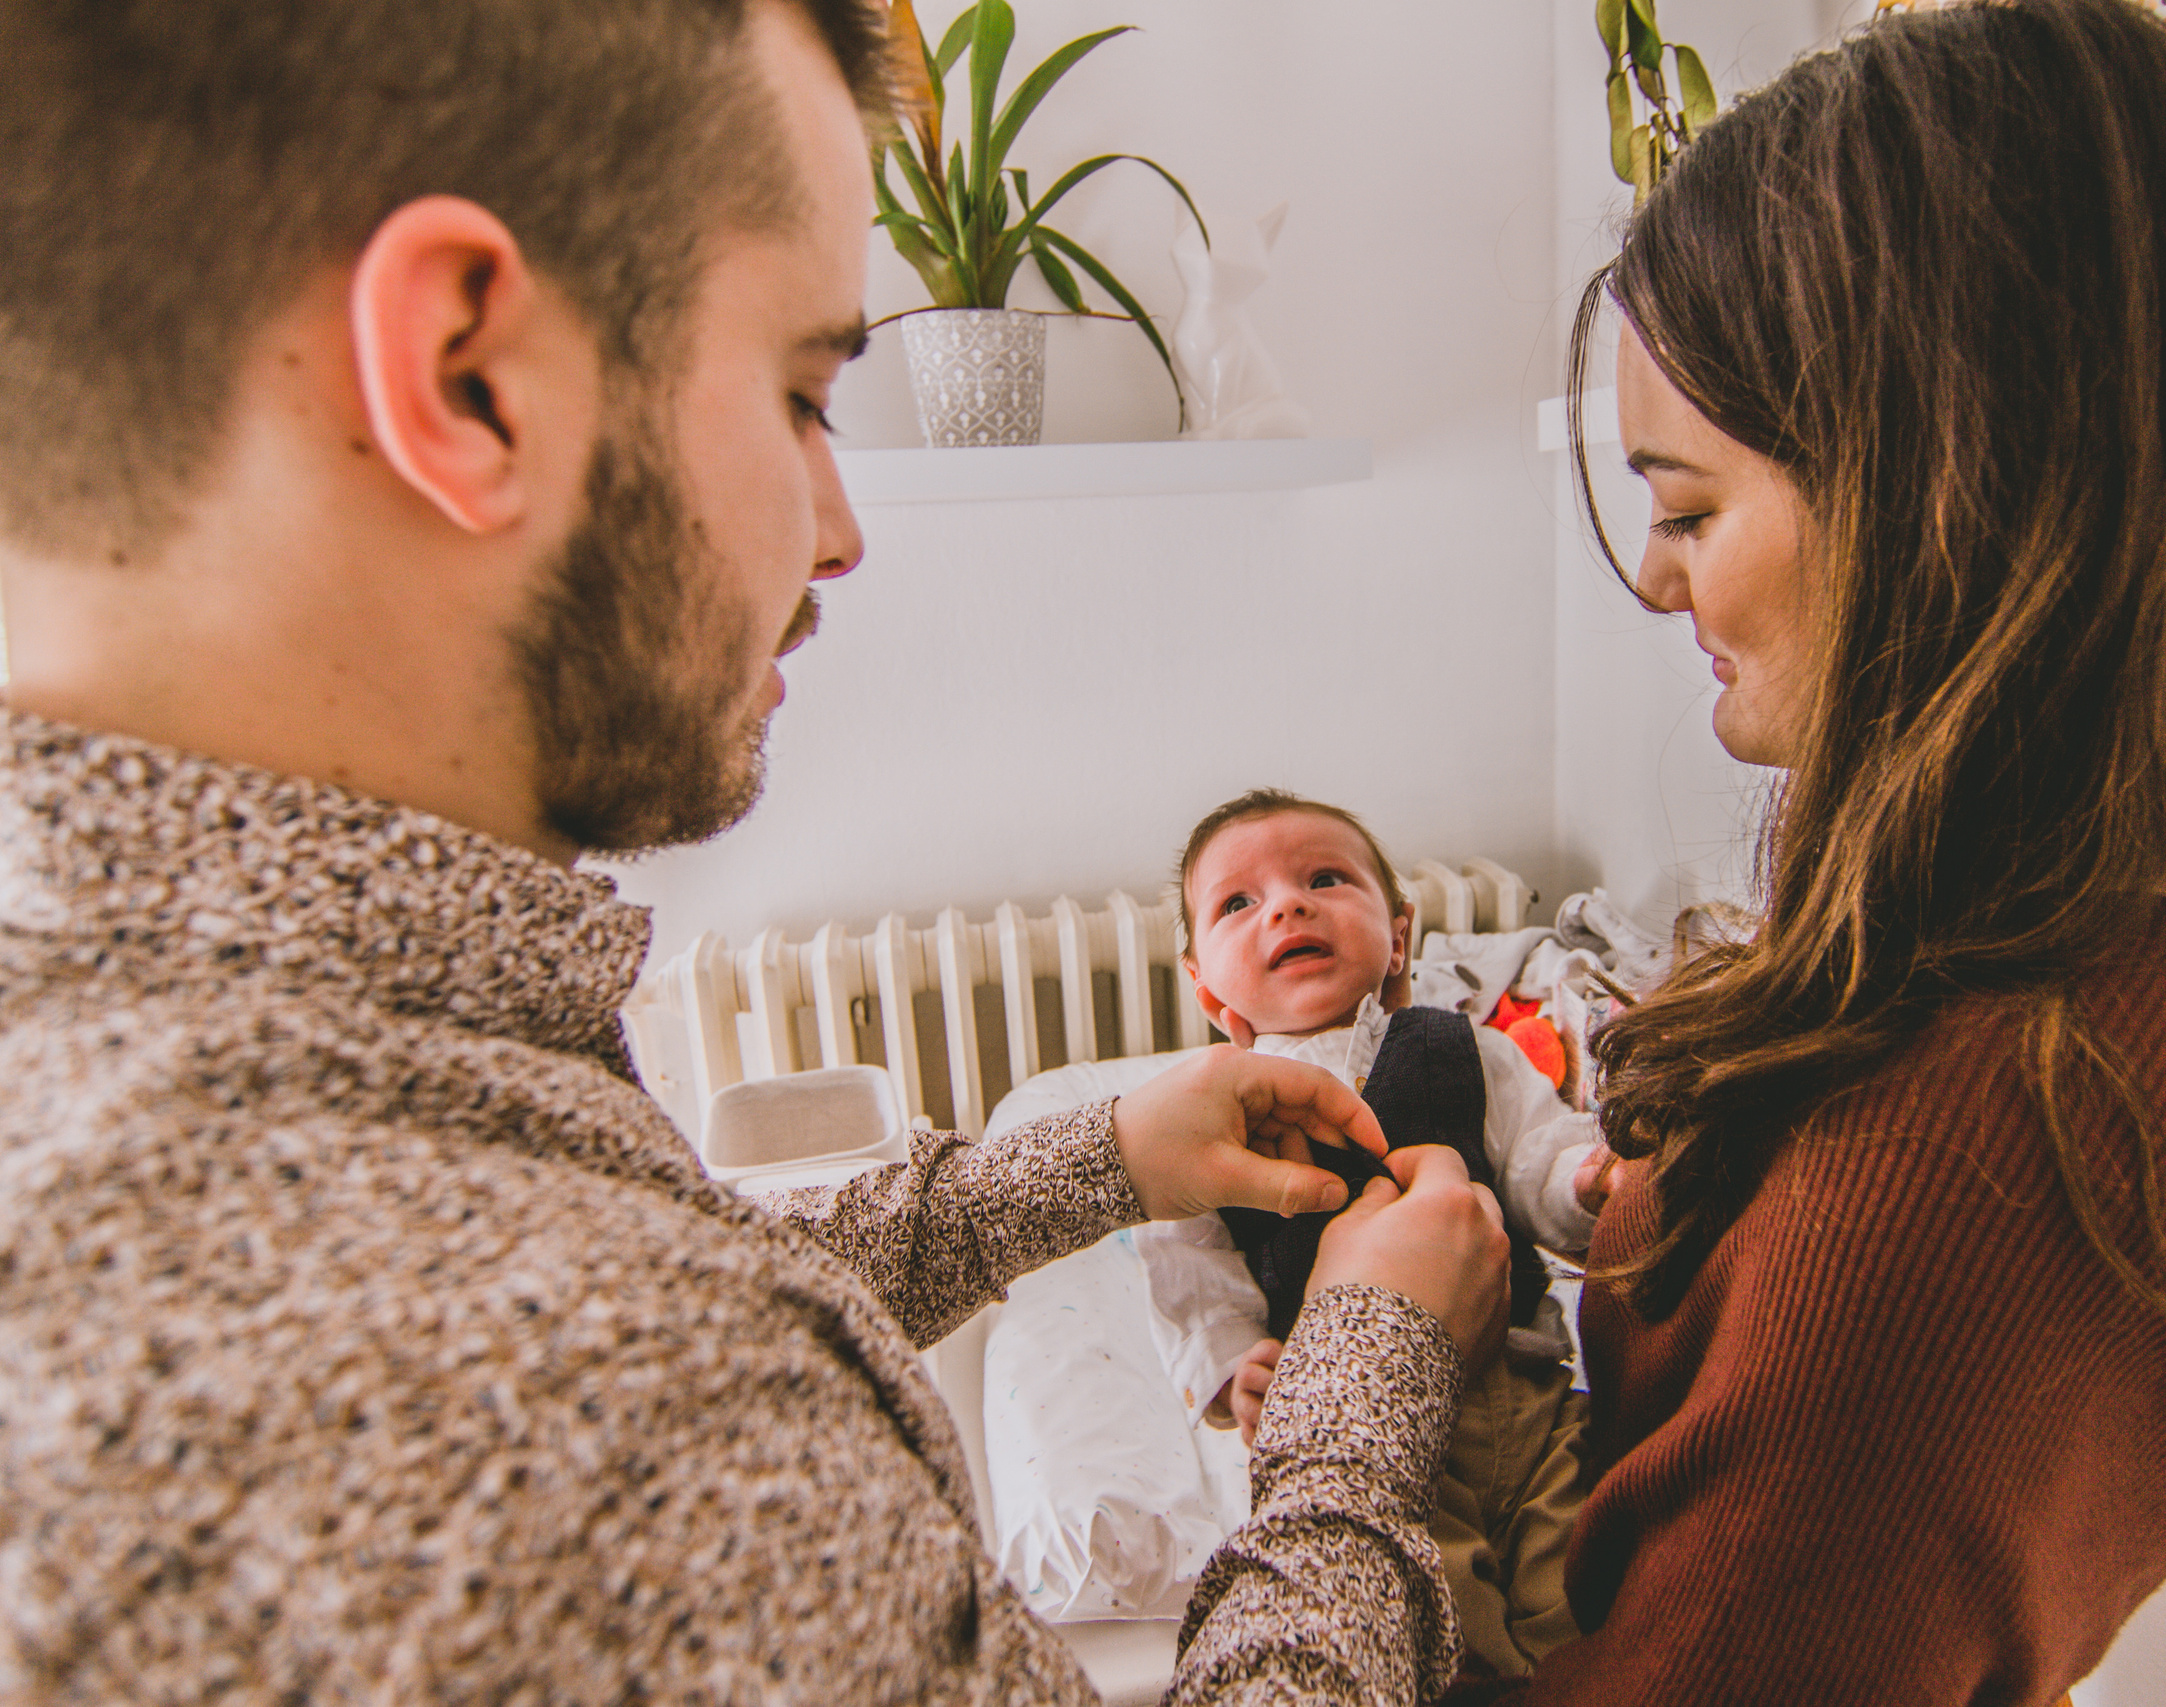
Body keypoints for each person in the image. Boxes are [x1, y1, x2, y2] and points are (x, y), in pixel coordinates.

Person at [0, 3, 1509, 1702]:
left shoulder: (192, 1057)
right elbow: (613, 1362)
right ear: (465, 375)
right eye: (803, 393)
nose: (843, 524)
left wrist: (1094, 1159)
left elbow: (666, 1271)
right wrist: (1362, 1398)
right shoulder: (600, 1424)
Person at [1430, 0, 2166, 1699]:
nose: (1652, 576)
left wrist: (1363, 1370)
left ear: (1941, 479)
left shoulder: (1954, 1175)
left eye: (1693, 504)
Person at [1139, 788, 1620, 1676]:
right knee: (1445, 1637)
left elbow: (1539, 1161)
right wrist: (1234, 1368)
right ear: (1206, 984)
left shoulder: (1465, 1046)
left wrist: (1590, 1183)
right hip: (1366, 1440)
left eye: (1325, 878)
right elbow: (1190, 1266)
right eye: (1237, 902)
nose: (1287, 903)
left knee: (1588, 1605)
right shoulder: (1209, 1107)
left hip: (1531, 1393)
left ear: (1398, 939)